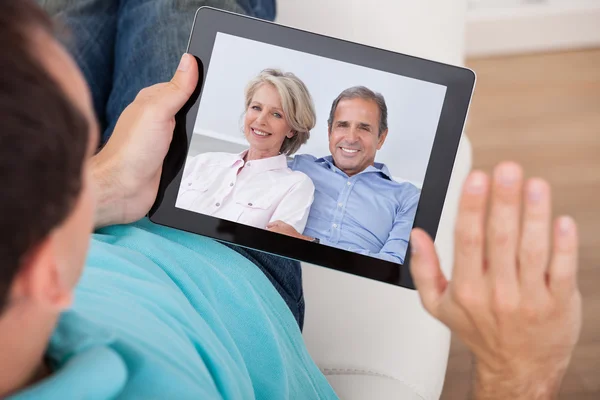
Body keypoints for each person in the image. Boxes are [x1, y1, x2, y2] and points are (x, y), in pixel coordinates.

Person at [1, 1, 582, 399]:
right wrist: (519, 373)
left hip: (116, 209)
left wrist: (99, 184)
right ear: (51, 268)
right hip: (226, 265)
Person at [269, 86, 420, 264]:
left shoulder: (407, 198)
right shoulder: (297, 168)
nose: (351, 138)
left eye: (364, 128)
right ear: (329, 132)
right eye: (342, 125)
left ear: (381, 138)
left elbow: (394, 263)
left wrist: (309, 244)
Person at [177, 69, 316, 232]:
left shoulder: (295, 185)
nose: (260, 120)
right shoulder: (204, 161)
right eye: (256, 107)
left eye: (277, 114)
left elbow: (273, 250)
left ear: (292, 129)